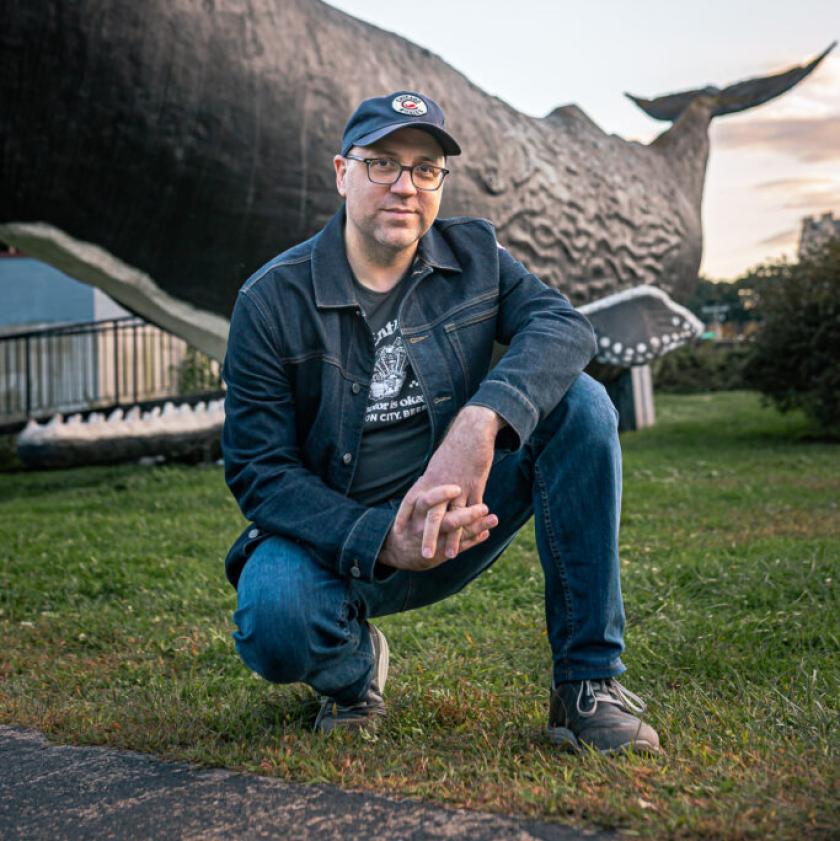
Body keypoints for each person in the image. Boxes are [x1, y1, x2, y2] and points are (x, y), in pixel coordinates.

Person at [222, 91, 660, 754]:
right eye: (383, 164)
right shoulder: (270, 301)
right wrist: (379, 537)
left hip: (459, 514)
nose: (406, 186)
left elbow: (564, 325)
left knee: (582, 403)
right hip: (337, 540)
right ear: (341, 172)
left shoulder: (475, 255)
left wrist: (483, 418)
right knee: (274, 621)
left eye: (426, 169)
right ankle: (353, 670)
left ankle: (586, 685)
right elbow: (261, 470)